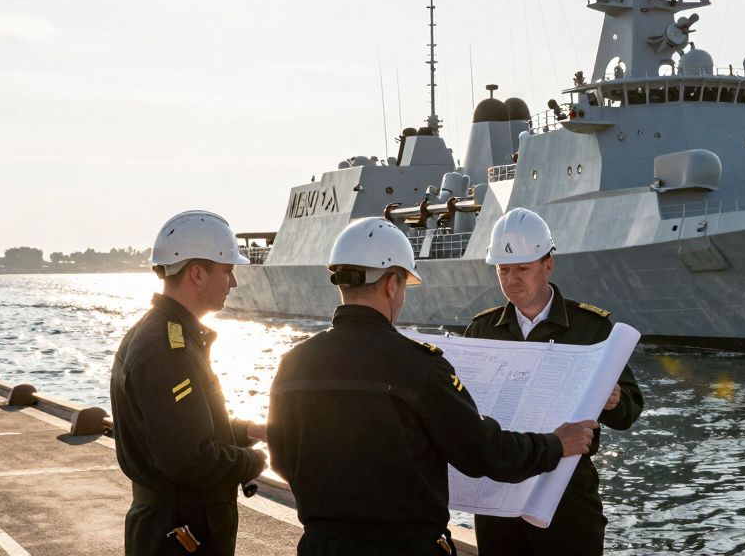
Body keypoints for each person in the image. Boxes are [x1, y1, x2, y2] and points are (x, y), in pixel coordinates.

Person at [267, 217, 599, 556]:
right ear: (391, 284)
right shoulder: (419, 366)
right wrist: (555, 444)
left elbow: (280, 459)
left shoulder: (292, 363)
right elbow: (484, 452)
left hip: (321, 546)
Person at [464, 208, 644, 556]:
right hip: (498, 500)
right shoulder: (481, 330)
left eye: (522, 268)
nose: (511, 279)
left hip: (568, 497)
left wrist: (614, 400)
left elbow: (629, 413)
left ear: (548, 265)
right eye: (503, 270)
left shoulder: (591, 328)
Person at [110, 210, 267, 556]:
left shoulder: (164, 335)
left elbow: (179, 428)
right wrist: (252, 461)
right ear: (197, 273)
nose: (233, 282)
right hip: (179, 533)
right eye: (227, 271)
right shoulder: (167, 349)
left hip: (174, 528)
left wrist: (247, 431)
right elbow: (189, 459)